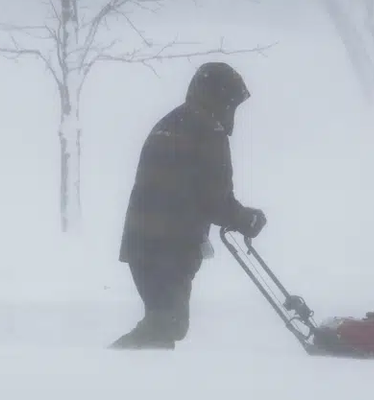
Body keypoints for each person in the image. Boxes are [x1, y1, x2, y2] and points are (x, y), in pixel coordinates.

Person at [110, 61, 267, 350]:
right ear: (220, 99)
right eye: (232, 103)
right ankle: (111, 368)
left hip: (142, 242)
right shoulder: (207, 131)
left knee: (164, 324)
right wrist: (247, 219)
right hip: (169, 246)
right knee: (166, 324)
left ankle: (137, 379)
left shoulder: (173, 122)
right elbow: (215, 199)